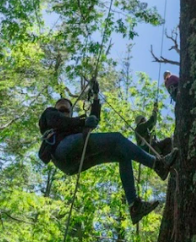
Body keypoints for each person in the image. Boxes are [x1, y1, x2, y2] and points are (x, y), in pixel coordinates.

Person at [38, 79, 179, 224]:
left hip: (72, 163)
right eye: (60, 107)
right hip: (62, 149)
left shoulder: (74, 126)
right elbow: (58, 120)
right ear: (55, 108)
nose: (63, 109)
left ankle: (134, 206)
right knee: (117, 139)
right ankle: (158, 165)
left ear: (70, 112)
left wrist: (96, 97)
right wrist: (82, 122)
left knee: (122, 154)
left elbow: (94, 120)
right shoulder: (50, 114)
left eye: (66, 109)